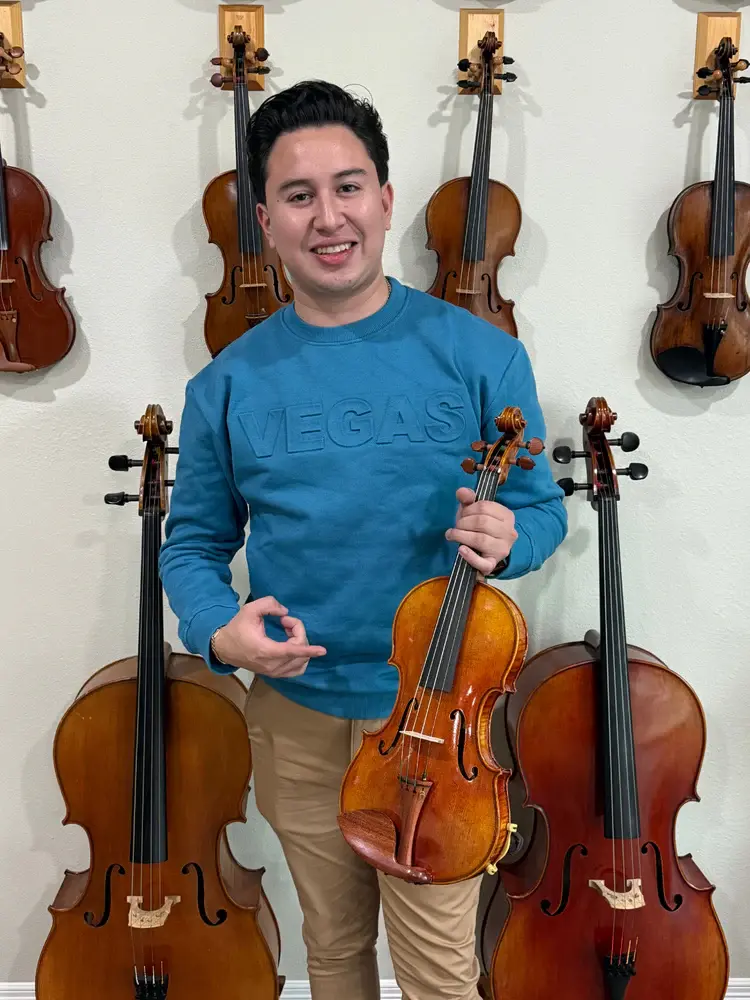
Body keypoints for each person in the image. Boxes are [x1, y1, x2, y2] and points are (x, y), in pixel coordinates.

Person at [159, 80, 566, 1000]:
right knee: (334, 950)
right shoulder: (226, 383)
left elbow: (541, 510)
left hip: (440, 719)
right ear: (265, 221)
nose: (329, 217)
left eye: (348, 188)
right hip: (296, 717)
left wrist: (512, 537)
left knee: (437, 970)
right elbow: (191, 546)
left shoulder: (481, 354)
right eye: (299, 195)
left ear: (384, 199)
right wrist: (218, 630)